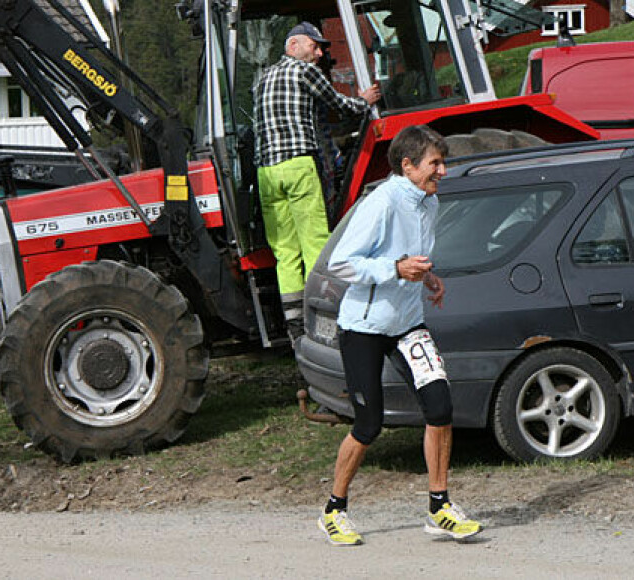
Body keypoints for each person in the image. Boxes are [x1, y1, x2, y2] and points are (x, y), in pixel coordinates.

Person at [318, 125, 481, 546]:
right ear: (407, 166)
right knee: (369, 424)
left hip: (407, 323)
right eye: (435, 164)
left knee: (440, 406)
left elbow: (413, 255)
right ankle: (334, 510)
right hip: (364, 328)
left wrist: (428, 277)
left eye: (443, 163)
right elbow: (340, 264)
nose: (442, 171)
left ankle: (439, 506)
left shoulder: (430, 202)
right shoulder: (381, 203)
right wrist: (394, 269)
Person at [254, 21, 381, 344]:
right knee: (316, 244)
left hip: (267, 173)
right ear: (294, 45)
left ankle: (295, 325)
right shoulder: (304, 72)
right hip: (298, 165)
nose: (321, 52)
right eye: (316, 45)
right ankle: (324, 318)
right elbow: (339, 106)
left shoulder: (262, 78)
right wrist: (364, 100)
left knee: (285, 252)